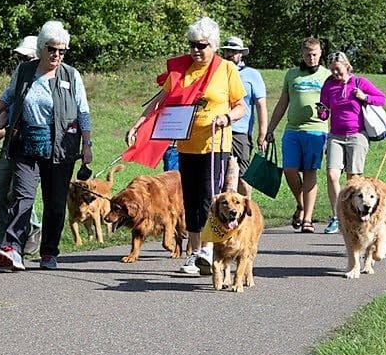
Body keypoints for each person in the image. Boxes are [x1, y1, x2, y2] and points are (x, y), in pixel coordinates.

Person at [125, 16, 246, 275]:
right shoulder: (182, 70)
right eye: (192, 44)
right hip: (186, 145)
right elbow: (160, 100)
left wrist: (227, 117)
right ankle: (195, 254)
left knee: (208, 199)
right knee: (190, 202)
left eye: (201, 45)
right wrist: (137, 125)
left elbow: (240, 107)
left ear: (213, 45)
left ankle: (210, 251)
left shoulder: (226, 69)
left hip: (214, 145)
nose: (195, 50)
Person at [0, 21, 93, 271]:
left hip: (61, 146)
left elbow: (83, 112)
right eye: (52, 49)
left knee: (55, 202)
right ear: (41, 48)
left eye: (62, 51)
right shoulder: (25, 71)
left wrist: (87, 144)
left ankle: (49, 252)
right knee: (22, 197)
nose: (57, 55)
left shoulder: (71, 75)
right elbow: (9, 95)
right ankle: (12, 249)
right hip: (26, 143)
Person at [316, 51, 386, 234]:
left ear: (347, 67)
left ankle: (354, 215)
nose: (335, 74)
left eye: (338, 70)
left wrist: (365, 97)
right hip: (335, 135)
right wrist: (322, 112)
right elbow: (324, 109)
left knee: (353, 178)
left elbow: (382, 99)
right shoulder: (329, 84)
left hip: (357, 135)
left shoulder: (359, 82)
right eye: (332, 70)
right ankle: (337, 216)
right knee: (332, 174)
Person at [264, 37, 330, 233]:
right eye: (308, 55)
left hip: (317, 130)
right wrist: (270, 129)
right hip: (293, 129)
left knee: (310, 171)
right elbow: (283, 103)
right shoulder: (292, 75)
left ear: (320, 54)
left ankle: (307, 219)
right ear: (302, 54)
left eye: (315, 55)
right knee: (289, 170)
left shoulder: (327, 75)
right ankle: (301, 204)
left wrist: (325, 114)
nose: (311, 58)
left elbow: (332, 105)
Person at [0, 35, 43, 255]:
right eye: (19, 57)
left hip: (31, 144)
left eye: (26, 56)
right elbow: (9, 103)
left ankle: (30, 232)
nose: (21, 60)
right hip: (11, 143)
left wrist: (2, 129)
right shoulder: (20, 74)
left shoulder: (43, 80)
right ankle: (2, 244)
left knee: (19, 193)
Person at [219, 36, 267, 196]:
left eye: (234, 52)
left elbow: (261, 105)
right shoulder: (218, 72)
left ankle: (247, 209)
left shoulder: (252, 75)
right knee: (221, 174)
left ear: (241, 54)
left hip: (240, 132)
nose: (230, 55)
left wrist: (262, 134)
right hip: (219, 129)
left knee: (243, 175)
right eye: (227, 51)